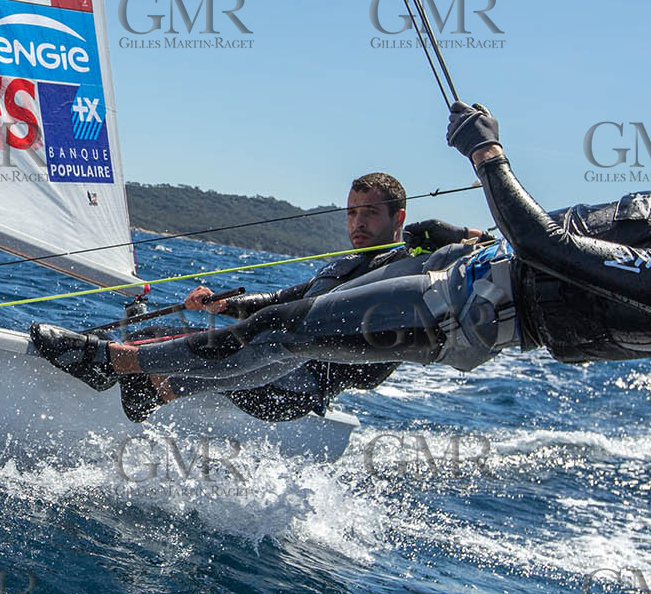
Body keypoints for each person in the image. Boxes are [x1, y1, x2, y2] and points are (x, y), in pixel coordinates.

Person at [32, 96, 651, 411]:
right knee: (297, 313)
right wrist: (457, 237)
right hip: (462, 274)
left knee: (295, 331)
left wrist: (489, 157)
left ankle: (120, 365)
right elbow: (521, 242)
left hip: (457, 320)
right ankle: (153, 382)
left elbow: (544, 246)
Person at [159, 173, 485, 425]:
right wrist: (223, 305)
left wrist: (461, 236)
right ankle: (137, 375)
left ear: (397, 219)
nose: (357, 222)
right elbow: (279, 301)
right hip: (266, 369)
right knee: (154, 342)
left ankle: (140, 384)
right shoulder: (341, 267)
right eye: (352, 212)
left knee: (158, 357)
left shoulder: (407, 268)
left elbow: (476, 253)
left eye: (369, 213)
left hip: (291, 391)